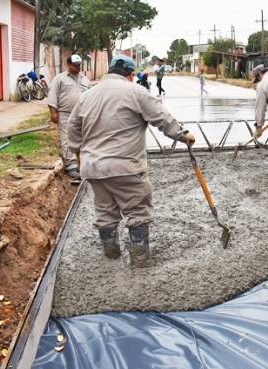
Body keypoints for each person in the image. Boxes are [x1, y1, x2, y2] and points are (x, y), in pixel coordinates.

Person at [67, 55, 195, 267]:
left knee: (105, 210)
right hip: (125, 166)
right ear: (130, 74)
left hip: (93, 168)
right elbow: (161, 117)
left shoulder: (87, 96)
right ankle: (140, 260)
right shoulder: (135, 91)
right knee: (137, 210)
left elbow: (72, 128)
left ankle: (111, 254)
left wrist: (77, 153)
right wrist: (183, 135)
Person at [47, 54, 91, 179]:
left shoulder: (85, 80)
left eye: (79, 65)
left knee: (83, 138)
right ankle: (71, 165)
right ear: (68, 65)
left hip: (82, 114)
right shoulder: (59, 79)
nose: (78, 67)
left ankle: (84, 164)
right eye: (75, 65)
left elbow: (91, 97)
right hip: (66, 114)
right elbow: (52, 96)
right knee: (67, 138)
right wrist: (53, 112)